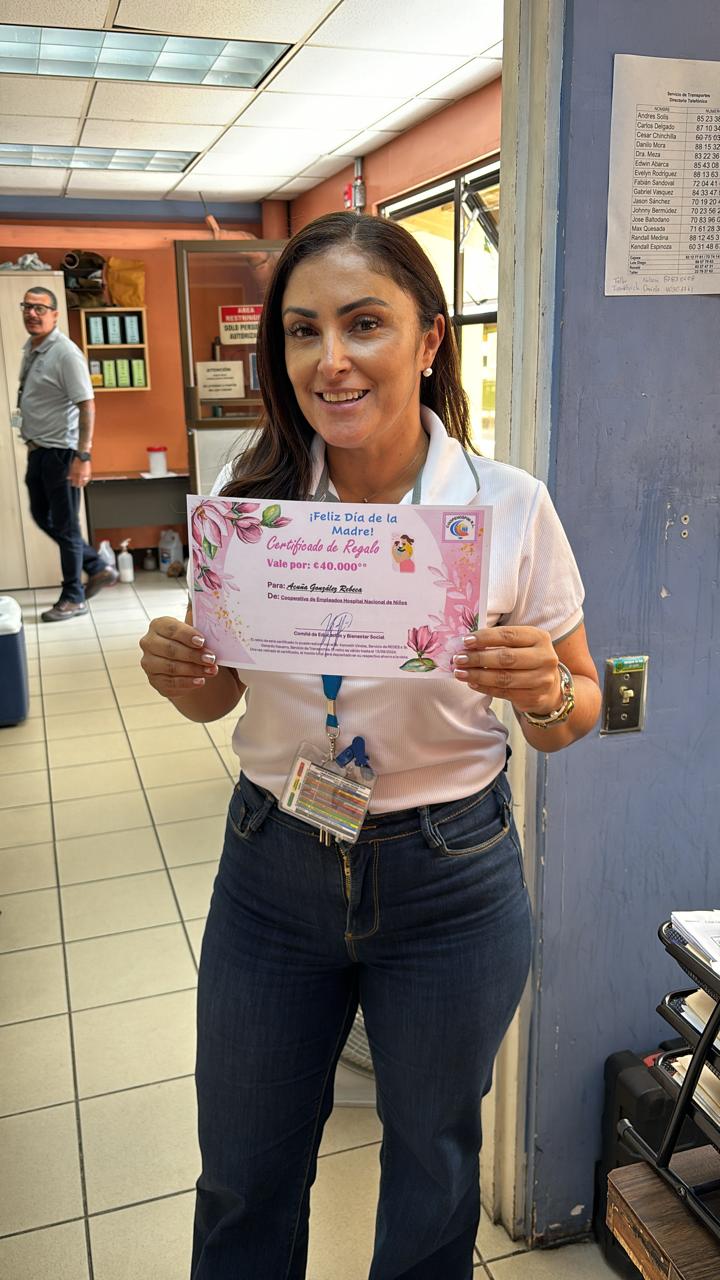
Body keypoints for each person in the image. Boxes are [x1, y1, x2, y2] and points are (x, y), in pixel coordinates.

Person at [139, 212, 602, 1280]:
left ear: (430, 338)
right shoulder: (252, 509)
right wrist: (188, 678)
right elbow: (221, 698)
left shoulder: (506, 508)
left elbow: (577, 707)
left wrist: (543, 689)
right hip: (273, 867)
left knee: (433, 1172)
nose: (330, 359)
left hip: (450, 877)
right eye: (303, 331)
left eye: (363, 324)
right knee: (244, 1174)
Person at [18, 287, 118, 622]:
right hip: (39, 450)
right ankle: (96, 565)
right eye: (27, 307)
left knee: (65, 526)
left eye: (40, 308)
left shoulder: (65, 352)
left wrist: (82, 457)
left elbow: (87, 405)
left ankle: (74, 597)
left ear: (55, 314)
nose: (32, 313)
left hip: (62, 452)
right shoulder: (33, 348)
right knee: (42, 516)